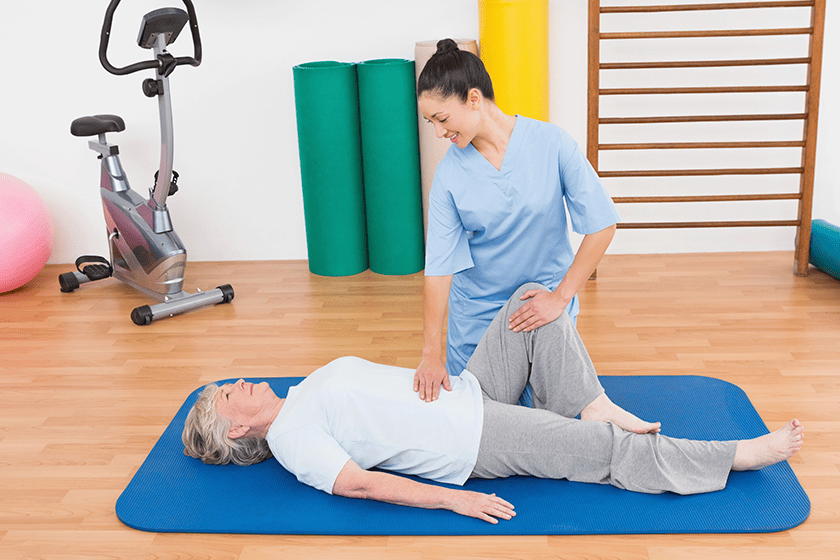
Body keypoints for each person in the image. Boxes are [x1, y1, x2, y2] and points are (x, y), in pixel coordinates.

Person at [182, 284, 804, 524]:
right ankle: (733, 458)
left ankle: (588, 400)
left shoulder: (304, 392)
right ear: (237, 427)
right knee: (601, 452)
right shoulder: (292, 441)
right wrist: (457, 498)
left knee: (528, 306)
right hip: (472, 438)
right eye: (229, 393)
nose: (240, 383)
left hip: (466, 390)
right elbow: (362, 487)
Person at [414, 38, 621, 403]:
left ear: (474, 98)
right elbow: (439, 269)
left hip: (542, 311)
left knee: (551, 424)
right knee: (486, 430)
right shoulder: (449, 175)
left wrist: (561, 296)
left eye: (442, 119)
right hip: (478, 320)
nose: (438, 133)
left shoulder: (552, 143)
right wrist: (432, 353)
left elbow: (601, 224)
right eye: (430, 122)